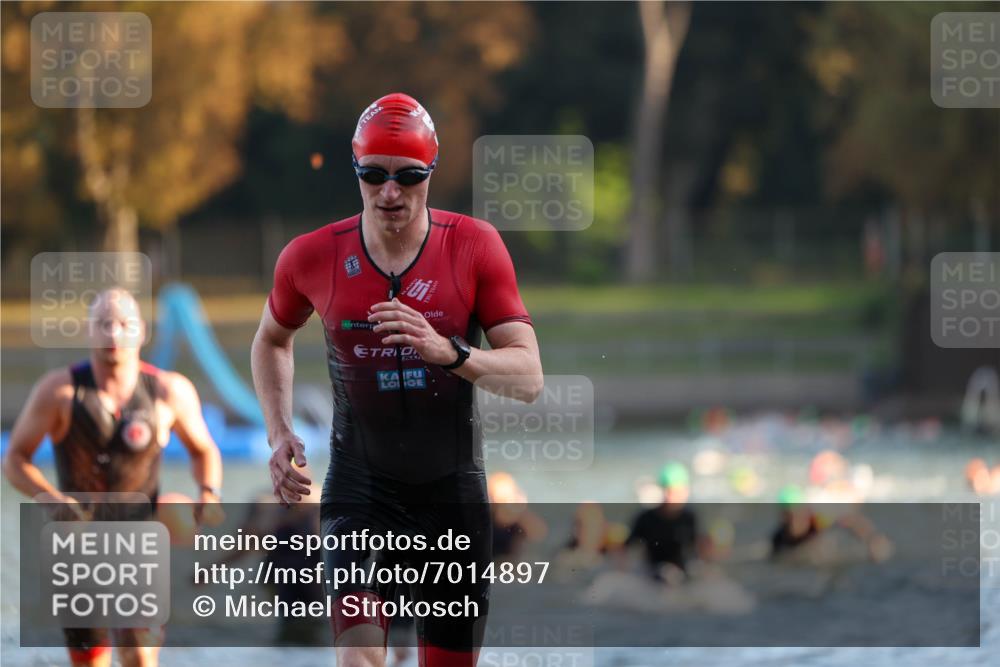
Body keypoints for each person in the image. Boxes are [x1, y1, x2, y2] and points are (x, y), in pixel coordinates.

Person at [251, 92, 543, 667]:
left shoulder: (474, 246)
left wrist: (450, 353)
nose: (390, 193)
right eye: (374, 175)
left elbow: (529, 376)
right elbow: (271, 339)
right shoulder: (311, 257)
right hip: (360, 489)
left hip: (451, 492)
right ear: (355, 171)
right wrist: (278, 431)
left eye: (408, 177)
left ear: (430, 172)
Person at [2, 288, 224, 667]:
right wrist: (51, 500)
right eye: (103, 324)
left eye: (124, 324)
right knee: (92, 662)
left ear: (142, 332)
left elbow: (204, 450)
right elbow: (15, 460)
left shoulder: (169, 391)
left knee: (139, 657)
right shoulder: (59, 391)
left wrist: (208, 492)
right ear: (89, 332)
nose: (113, 333)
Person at [624, 462, 699, 584]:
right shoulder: (646, 518)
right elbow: (627, 547)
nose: (673, 497)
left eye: (679, 492)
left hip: (682, 573)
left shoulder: (689, 518)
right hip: (652, 573)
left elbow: (695, 548)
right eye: (670, 492)